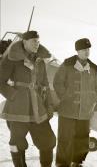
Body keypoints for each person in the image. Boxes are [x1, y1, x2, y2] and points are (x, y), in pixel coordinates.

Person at [0, 31, 56, 167]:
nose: (37, 44)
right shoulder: (11, 58)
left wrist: (48, 106)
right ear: (24, 42)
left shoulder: (40, 61)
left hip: (38, 108)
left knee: (47, 141)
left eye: (38, 41)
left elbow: (45, 85)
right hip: (17, 109)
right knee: (17, 143)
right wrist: (13, 95)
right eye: (33, 41)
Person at [53, 38, 97, 167]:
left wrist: (94, 99)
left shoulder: (93, 67)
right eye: (83, 50)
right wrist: (65, 97)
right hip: (67, 111)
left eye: (88, 49)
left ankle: (77, 162)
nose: (87, 52)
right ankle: (62, 164)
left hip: (85, 112)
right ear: (78, 51)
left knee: (82, 139)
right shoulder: (67, 64)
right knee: (65, 139)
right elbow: (57, 83)